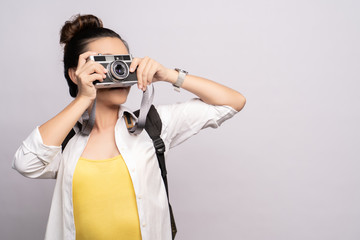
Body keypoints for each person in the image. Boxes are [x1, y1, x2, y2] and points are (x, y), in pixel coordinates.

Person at [12, 14, 246, 240]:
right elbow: (26, 164)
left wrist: (168, 75)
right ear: (76, 74)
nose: (118, 71)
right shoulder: (64, 140)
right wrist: (82, 98)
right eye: (104, 62)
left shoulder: (152, 125)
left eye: (122, 62)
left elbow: (232, 103)